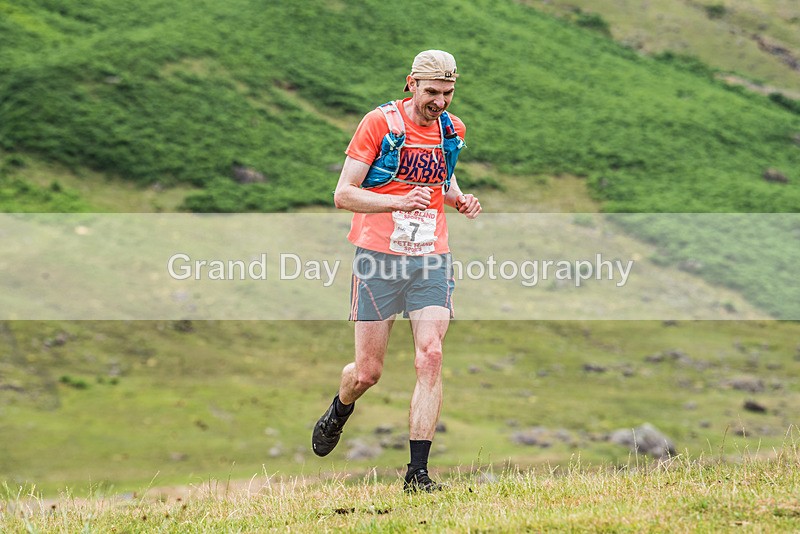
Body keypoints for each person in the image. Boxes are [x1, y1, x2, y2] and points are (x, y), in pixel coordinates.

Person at [311, 49, 481, 493]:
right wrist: (397, 201)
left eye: (447, 93)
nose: (440, 102)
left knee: (432, 354)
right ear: (411, 84)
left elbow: (442, 183)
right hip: (378, 260)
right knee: (368, 372)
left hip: (431, 258)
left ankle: (417, 474)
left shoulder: (452, 130)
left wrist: (458, 199)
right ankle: (341, 407)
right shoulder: (379, 124)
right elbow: (343, 194)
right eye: (432, 92)